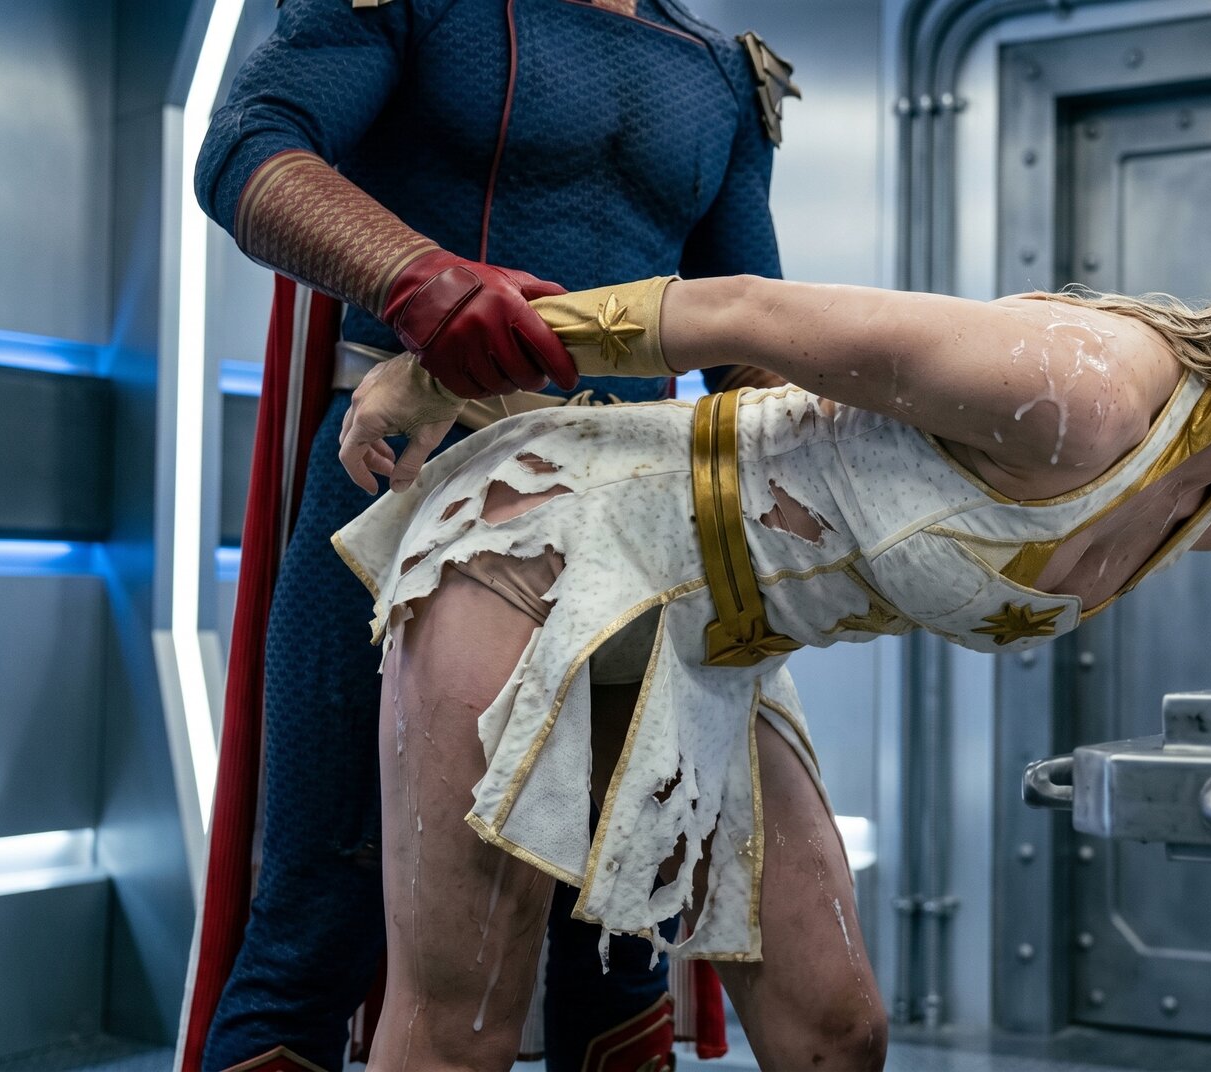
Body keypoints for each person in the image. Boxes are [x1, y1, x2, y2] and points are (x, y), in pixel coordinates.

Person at [332, 182, 1211, 1071]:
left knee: (837, 1034)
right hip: (550, 538)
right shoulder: (1093, 386)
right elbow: (741, 309)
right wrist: (438, 370)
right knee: (461, 1028)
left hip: (719, 638)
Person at [181, 1, 798, 1069]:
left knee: (621, 923)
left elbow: (749, 335)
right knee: (321, 906)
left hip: (630, 522)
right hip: (406, 483)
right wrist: (416, 279)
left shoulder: (719, 70)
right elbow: (247, 145)